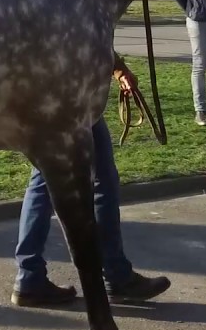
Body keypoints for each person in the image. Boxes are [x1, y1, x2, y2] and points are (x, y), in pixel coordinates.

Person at [11, 54, 171, 307]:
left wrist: (118, 70)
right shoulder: (60, 12)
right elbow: (82, 30)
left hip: (38, 92)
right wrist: (117, 67)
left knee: (42, 181)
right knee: (101, 181)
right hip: (71, 96)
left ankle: (29, 277)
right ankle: (115, 276)